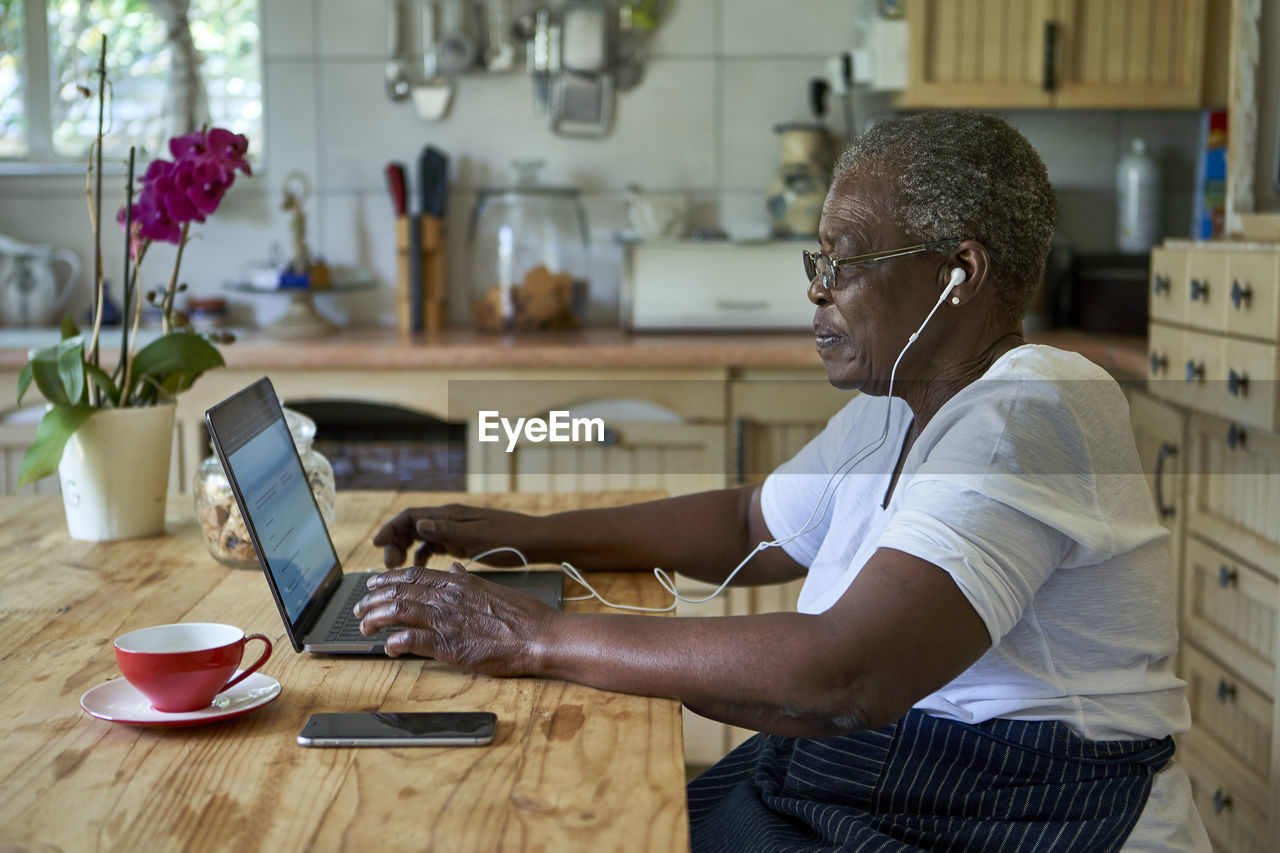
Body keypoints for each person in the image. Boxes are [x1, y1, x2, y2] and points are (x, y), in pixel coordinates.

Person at [354, 111, 1208, 851]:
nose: (816, 287)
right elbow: (744, 524)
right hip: (882, 780)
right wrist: (514, 530)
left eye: (846, 261)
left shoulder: (1030, 406)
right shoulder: (896, 400)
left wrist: (537, 637)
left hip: (1011, 813)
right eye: (819, 256)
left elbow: (845, 676)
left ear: (962, 274)